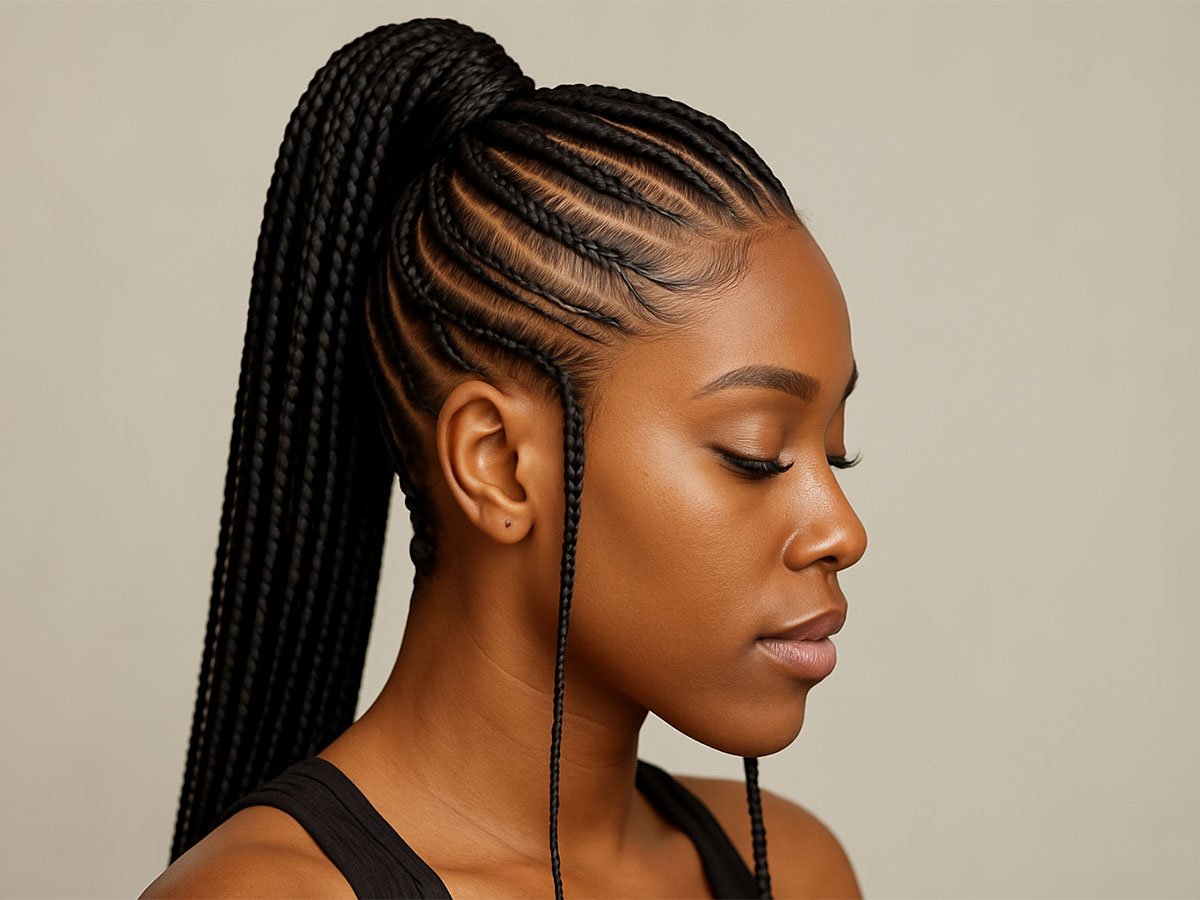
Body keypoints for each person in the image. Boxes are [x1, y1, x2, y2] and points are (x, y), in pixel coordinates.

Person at [140, 16, 867, 899]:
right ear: (495, 463)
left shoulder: (792, 870)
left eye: (836, 453)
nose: (842, 530)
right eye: (754, 454)